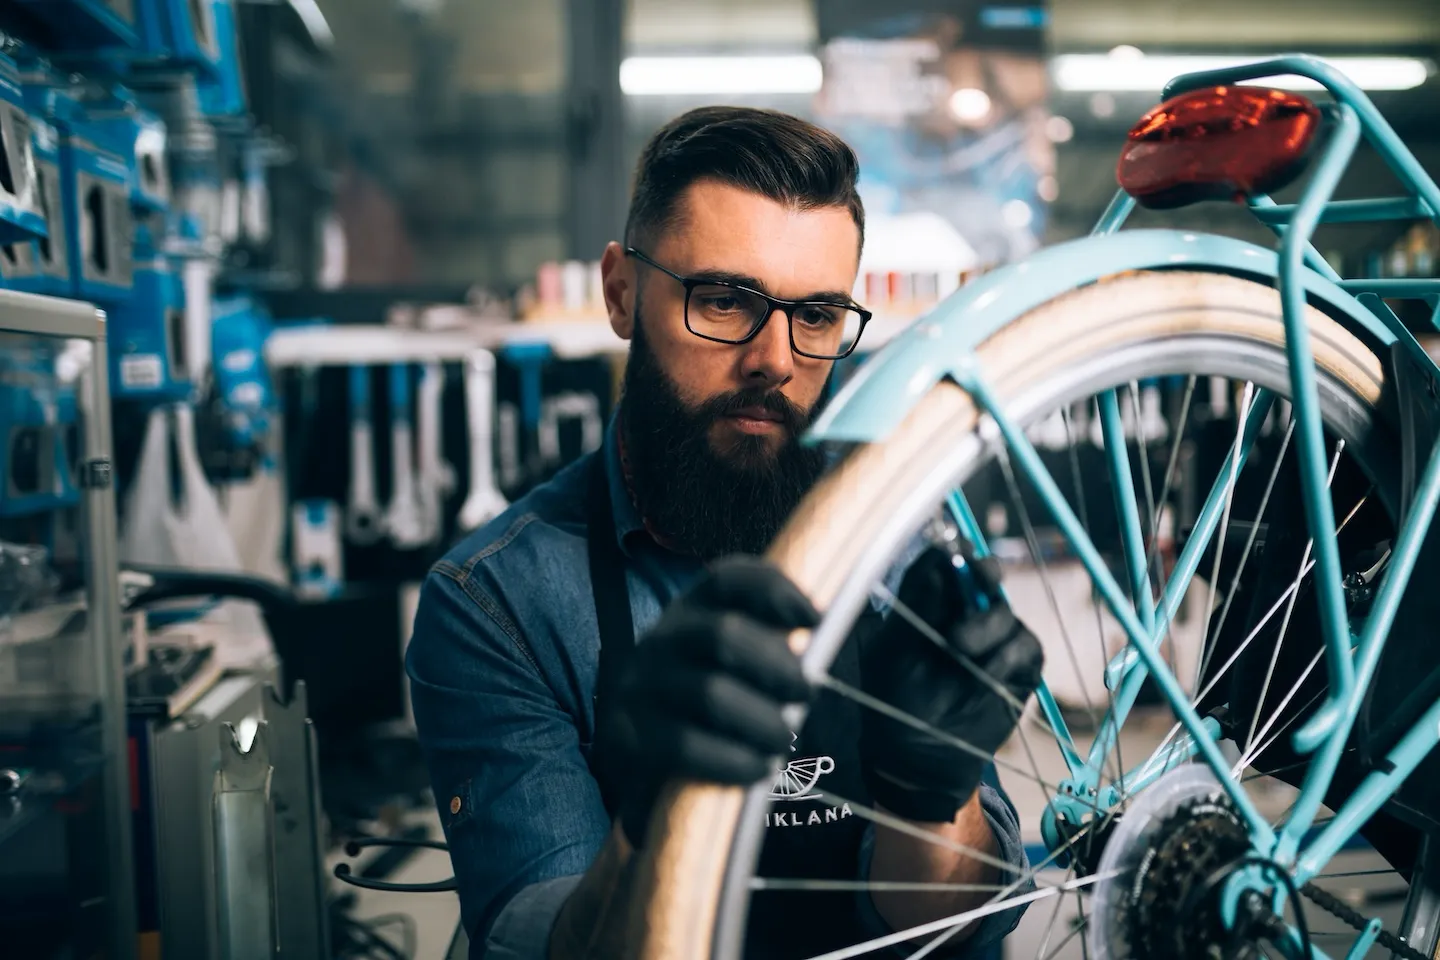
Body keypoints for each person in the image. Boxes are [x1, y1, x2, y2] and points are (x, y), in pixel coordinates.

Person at [407, 106, 1045, 960]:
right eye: (724, 299)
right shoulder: (497, 602)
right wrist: (654, 811)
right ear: (622, 293)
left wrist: (929, 797)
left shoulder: (898, 551)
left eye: (816, 315)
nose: (775, 359)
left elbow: (950, 924)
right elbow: (547, 947)